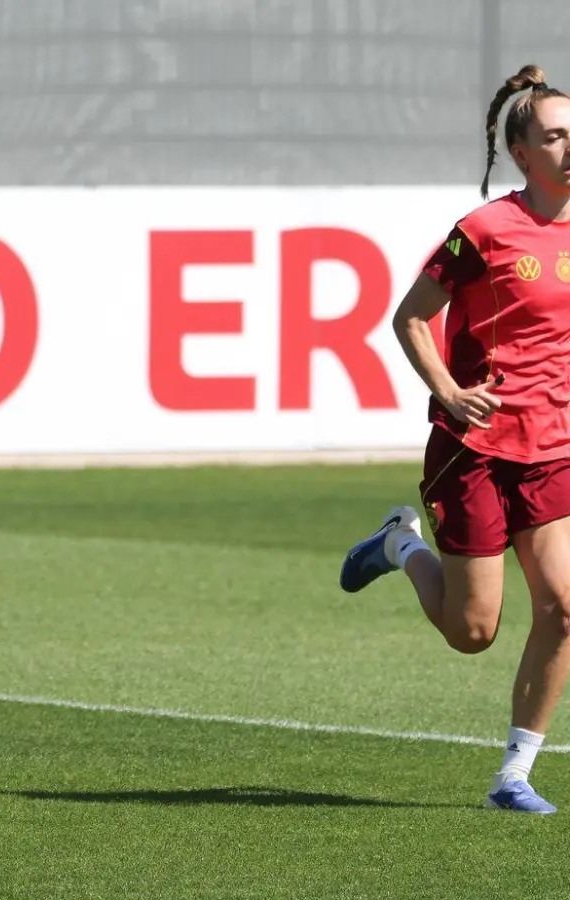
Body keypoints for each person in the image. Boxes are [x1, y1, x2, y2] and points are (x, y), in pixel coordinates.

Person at [340, 63, 570, 815]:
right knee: (472, 632)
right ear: (522, 154)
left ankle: (514, 776)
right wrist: (447, 390)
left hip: (552, 448)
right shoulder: (485, 232)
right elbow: (411, 315)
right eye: (556, 136)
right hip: (474, 449)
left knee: (564, 608)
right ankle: (400, 546)